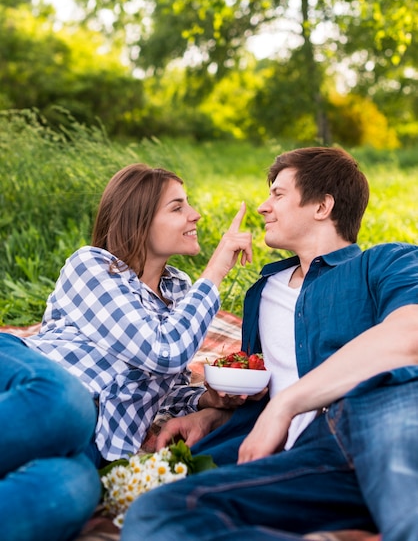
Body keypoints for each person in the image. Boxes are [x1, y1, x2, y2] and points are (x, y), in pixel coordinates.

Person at [120, 147, 418, 541]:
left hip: (384, 413)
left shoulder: (386, 263)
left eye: (278, 194)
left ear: (322, 206)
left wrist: (287, 404)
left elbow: (410, 337)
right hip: (310, 461)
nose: (263, 207)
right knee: (160, 514)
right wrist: (214, 415)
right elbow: (264, 383)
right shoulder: (262, 293)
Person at [23, 163, 252, 466]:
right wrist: (216, 271)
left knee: (71, 494)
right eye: (177, 207)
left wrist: (206, 399)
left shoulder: (180, 290)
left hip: (98, 436)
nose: (195, 214)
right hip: (41, 382)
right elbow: (163, 352)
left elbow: (163, 387)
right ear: (139, 221)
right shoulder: (93, 265)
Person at [0, 333, 101, 541]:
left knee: (76, 486)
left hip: (87, 440)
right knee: (66, 403)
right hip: (28, 372)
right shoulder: (127, 301)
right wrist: (188, 301)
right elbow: (164, 352)